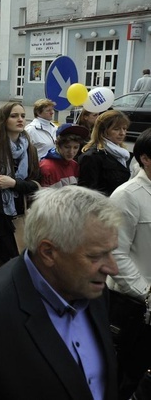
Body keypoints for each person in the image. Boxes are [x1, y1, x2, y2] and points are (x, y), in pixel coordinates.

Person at [0, 186, 121, 400]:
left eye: (111, 252)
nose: (112, 268)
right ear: (48, 252)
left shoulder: (93, 291)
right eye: (95, 256)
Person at [108, 128, 151, 397]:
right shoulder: (127, 195)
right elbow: (115, 252)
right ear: (146, 158)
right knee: (126, 376)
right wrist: (146, 293)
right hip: (131, 306)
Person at [0, 102, 40, 273]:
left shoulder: (30, 149)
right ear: (4, 120)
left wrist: (13, 183)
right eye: (14, 116)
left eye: (22, 116)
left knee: (19, 263)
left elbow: (35, 185)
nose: (20, 120)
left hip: (21, 214)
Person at [78, 110, 132, 197]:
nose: (122, 133)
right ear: (103, 131)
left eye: (124, 129)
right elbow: (86, 193)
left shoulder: (122, 154)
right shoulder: (92, 157)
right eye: (116, 129)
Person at [39, 124, 89, 188]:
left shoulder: (74, 165)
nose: (71, 152)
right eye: (67, 147)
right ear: (57, 144)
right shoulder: (46, 167)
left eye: (76, 147)